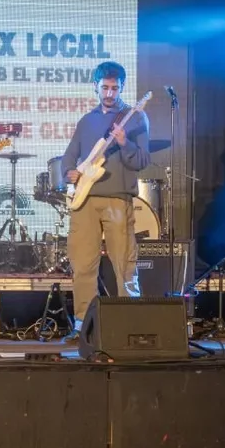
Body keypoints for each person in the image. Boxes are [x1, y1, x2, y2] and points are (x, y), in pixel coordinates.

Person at [60, 61, 151, 337]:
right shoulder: (87, 120)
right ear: (96, 88)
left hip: (117, 200)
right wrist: (69, 172)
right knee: (83, 265)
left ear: (122, 87)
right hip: (85, 201)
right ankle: (82, 326)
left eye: (115, 88)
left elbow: (142, 160)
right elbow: (69, 154)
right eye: (105, 88)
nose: (110, 94)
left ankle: (130, 326)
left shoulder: (135, 118)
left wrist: (125, 142)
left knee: (124, 263)